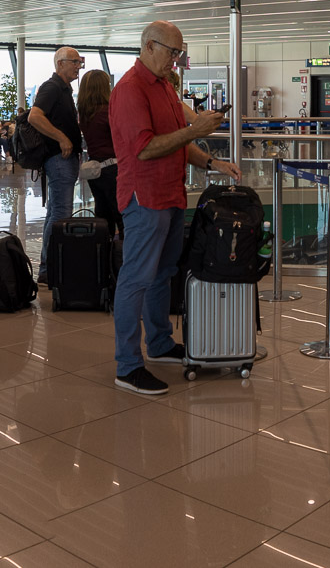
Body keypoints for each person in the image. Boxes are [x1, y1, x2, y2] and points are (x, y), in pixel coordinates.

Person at [109, 20, 240, 396]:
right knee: (136, 278)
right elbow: (146, 148)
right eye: (172, 52)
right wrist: (195, 129)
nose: (177, 61)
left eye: (179, 53)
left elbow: (177, 143)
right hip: (145, 198)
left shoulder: (165, 87)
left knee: (163, 272)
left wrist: (211, 162)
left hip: (170, 194)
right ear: (149, 47)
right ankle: (128, 365)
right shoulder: (131, 90)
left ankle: (161, 344)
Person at [28, 47, 87, 282]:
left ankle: (48, 267)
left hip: (64, 160)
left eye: (79, 62)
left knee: (55, 213)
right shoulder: (52, 87)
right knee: (61, 215)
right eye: (74, 62)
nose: (78, 67)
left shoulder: (63, 90)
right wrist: (62, 138)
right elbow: (34, 116)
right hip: (58, 160)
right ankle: (51, 268)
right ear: (60, 63)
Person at [79, 69, 121, 234]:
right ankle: (122, 256)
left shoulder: (85, 114)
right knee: (121, 215)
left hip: (95, 170)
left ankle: (102, 253)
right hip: (113, 168)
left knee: (103, 215)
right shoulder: (107, 112)